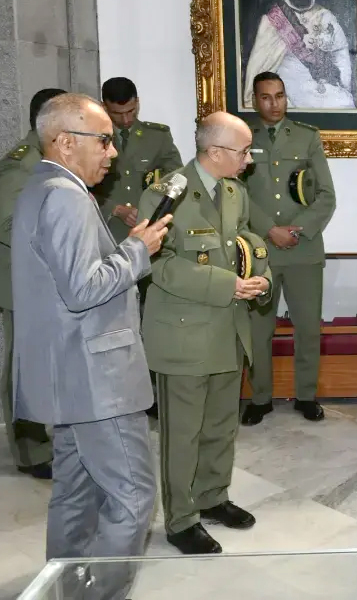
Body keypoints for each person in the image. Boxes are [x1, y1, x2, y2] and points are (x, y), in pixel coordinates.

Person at [12, 93, 171, 600]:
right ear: (64, 142)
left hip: (70, 375)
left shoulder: (41, 187)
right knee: (133, 495)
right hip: (97, 377)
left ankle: (63, 588)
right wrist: (136, 251)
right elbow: (82, 289)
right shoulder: (66, 195)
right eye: (103, 140)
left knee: (75, 495)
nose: (112, 152)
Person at [139, 112, 273, 555]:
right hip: (184, 334)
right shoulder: (166, 194)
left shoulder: (234, 192)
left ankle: (213, 497)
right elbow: (158, 264)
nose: (248, 160)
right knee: (183, 433)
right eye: (242, 151)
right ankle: (180, 520)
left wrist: (261, 278)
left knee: (220, 426)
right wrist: (226, 285)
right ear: (214, 152)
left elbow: (248, 243)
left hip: (228, 330)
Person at [241, 71, 337, 426]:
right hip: (259, 250)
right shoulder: (241, 138)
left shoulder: (307, 138)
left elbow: (326, 196)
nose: (274, 103)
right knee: (258, 330)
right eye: (266, 97)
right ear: (255, 100)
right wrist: (269, 229)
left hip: (302, 249)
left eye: (280, 96)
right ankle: (260, 397)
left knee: (308, 327)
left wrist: (298, 230)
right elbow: (236, 193)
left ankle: (306, 396)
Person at [0, 88, 64, 479]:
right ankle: (30, 451)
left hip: (46, 282)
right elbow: (5, 227)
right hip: (23, 285)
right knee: (24, 368)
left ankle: (46, 438)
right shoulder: (19, 166)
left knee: (44, 367)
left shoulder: (51, 162)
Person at [243, 0, 357, 109]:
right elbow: (259, 68)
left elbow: (341, 54)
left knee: (345, 103)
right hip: (289, 88)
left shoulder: (324, 16)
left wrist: (343, 84)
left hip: (325, 85)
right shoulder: (273, 20)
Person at [93, 77, 184, 243]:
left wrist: (151, 208)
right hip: (106, 233)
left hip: (149, 231)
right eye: (117, 114)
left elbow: (177, 180)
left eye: (131, 111)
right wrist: (114, 209)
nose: (126, 119)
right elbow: (82, 186)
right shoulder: (93, 139)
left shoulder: (158, 137)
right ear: (104, 107)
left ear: (138, 103)